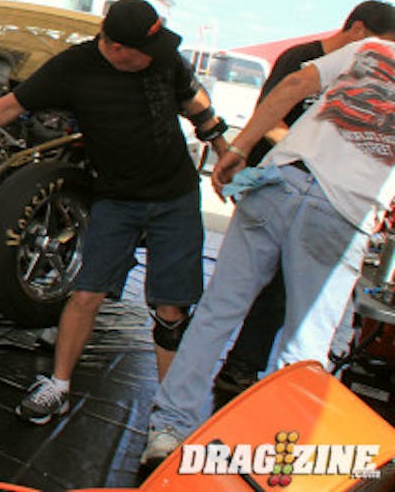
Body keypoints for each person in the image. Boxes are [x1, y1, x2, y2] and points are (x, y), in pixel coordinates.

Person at [0, 0, 229, 425]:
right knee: (84, 294)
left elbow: (194, 104)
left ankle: (172, 415)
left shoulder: (162, 58)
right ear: (114, 46)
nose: (153, 58)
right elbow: (7, 107)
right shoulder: (72, 68)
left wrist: (225, 149)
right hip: (117, 198)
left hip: (175, 196)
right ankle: (57, 386)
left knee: (171, 310)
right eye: (142, 52)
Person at [142, 33, 395, 466]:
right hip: (343, 209)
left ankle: (167, 431)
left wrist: (239, 148)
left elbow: (295, 86)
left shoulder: (375, 49)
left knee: (219, 312)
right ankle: (275, 455)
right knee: (305, 343)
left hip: (280, 180)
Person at [212, 0, 395, 405]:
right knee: (242, 290)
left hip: (323, 192)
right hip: (275, 180)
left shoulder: (361, 66)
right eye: (383, 45)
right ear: (359, 30)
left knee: (287, 298)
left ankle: (247, 369)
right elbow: (273, 110)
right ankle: (244, 376)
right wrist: (305, 155)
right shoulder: (303, 59)